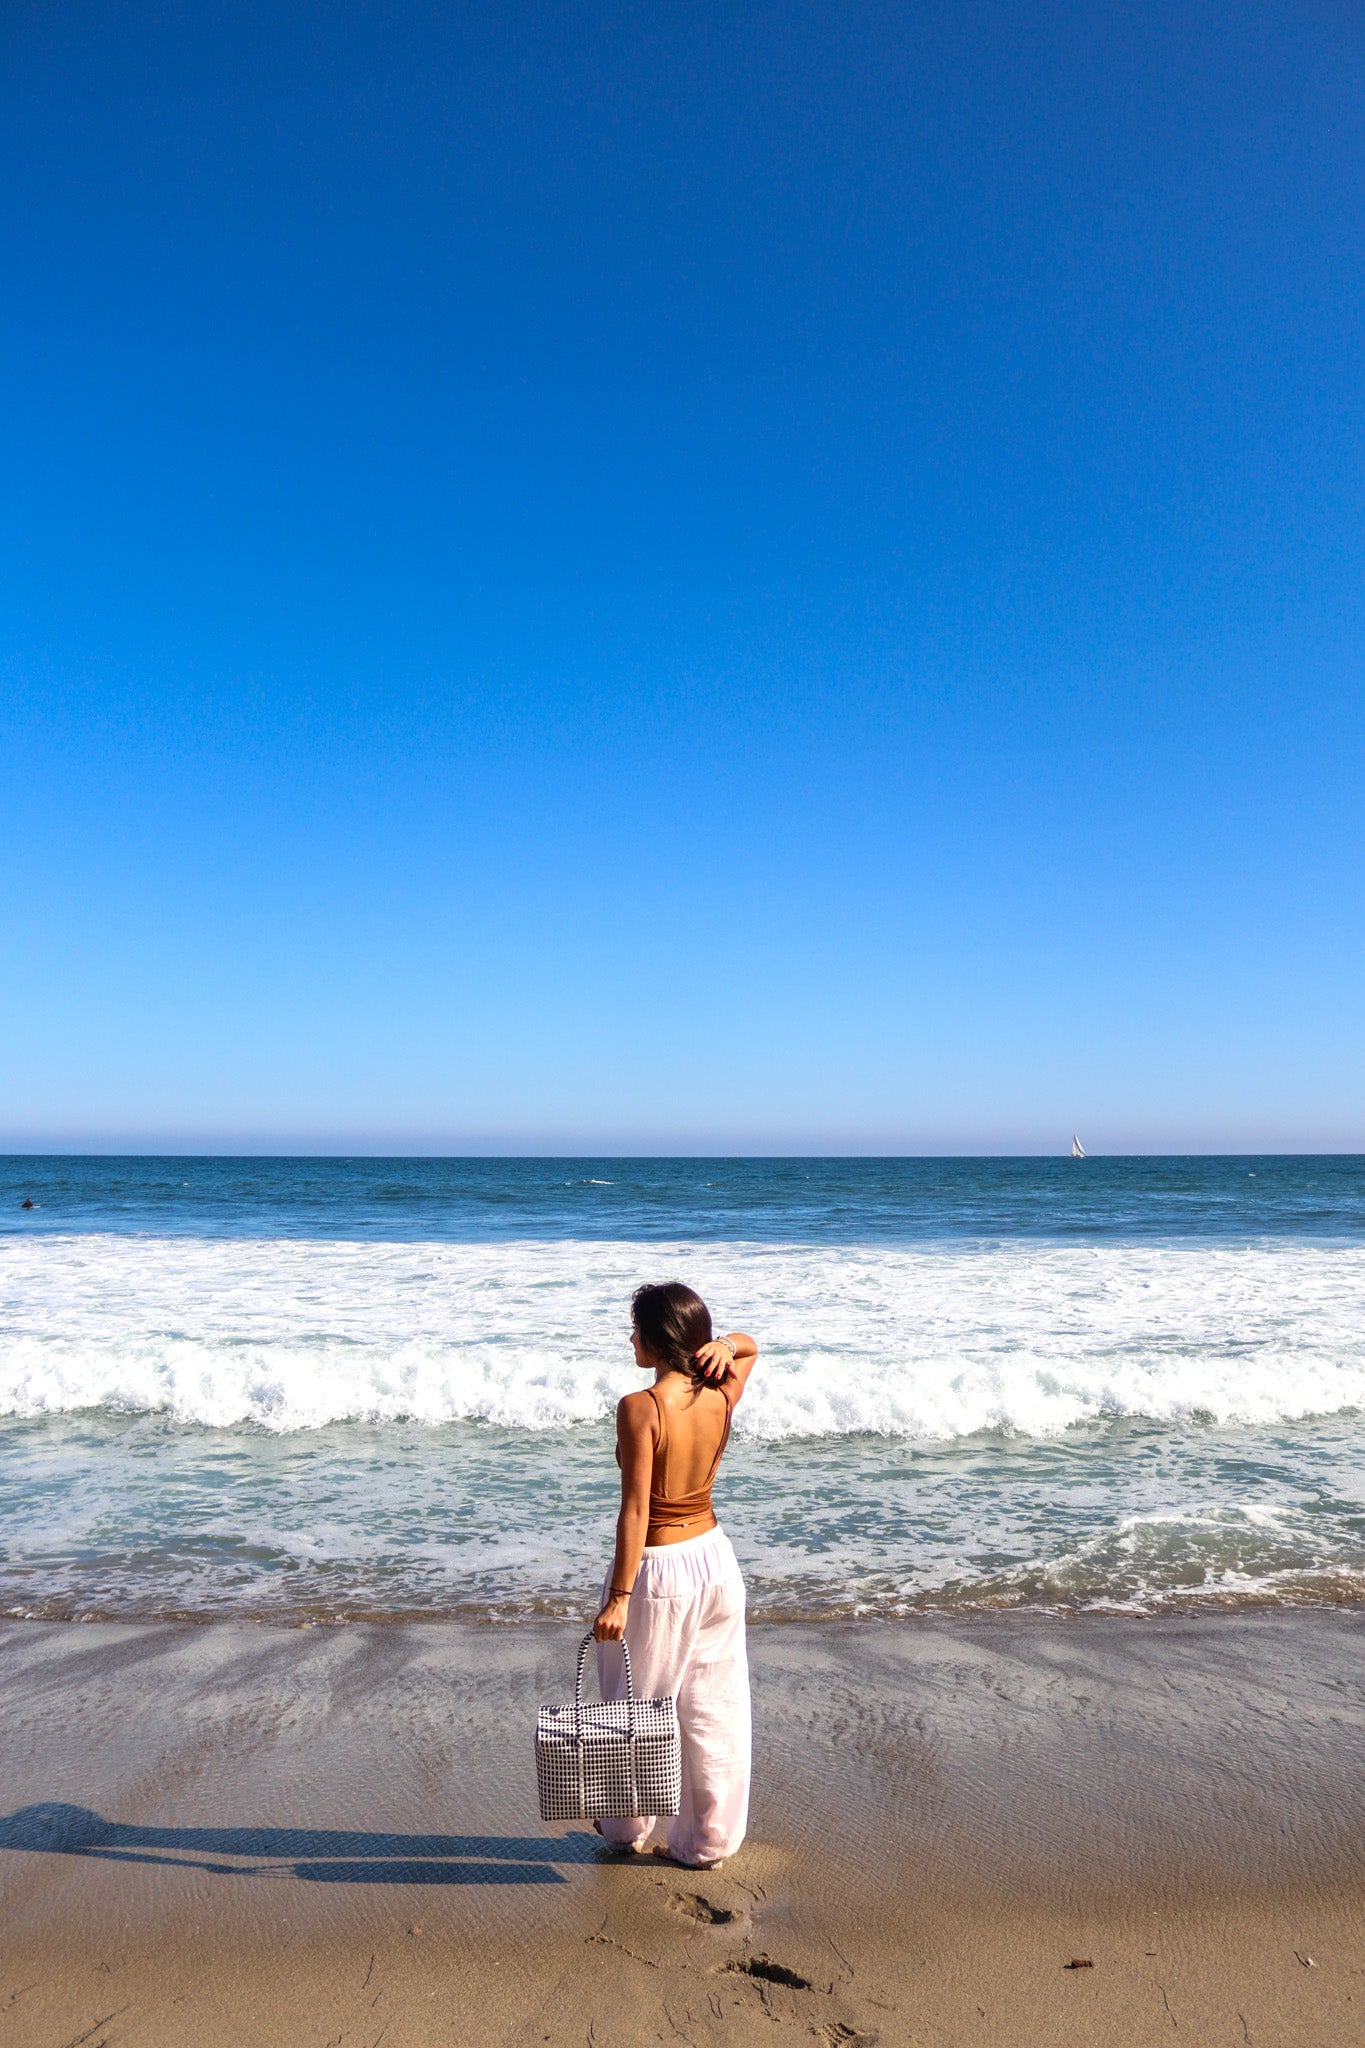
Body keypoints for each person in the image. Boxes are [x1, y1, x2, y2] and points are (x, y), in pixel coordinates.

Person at [593, 1281, 757, 1869]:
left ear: (660, 1340)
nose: (630, 1338)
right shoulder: (720, 1394)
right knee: (714, 1708)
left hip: (660, 1575)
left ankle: (624, 1825)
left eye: (637, 1328)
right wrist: (729, 1344)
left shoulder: (641, 1407)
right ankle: (707, 1842)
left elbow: (635, 1510)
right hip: (716, 1561)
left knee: (633, 1703)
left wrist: (618, 1598)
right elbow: (751, 1349)